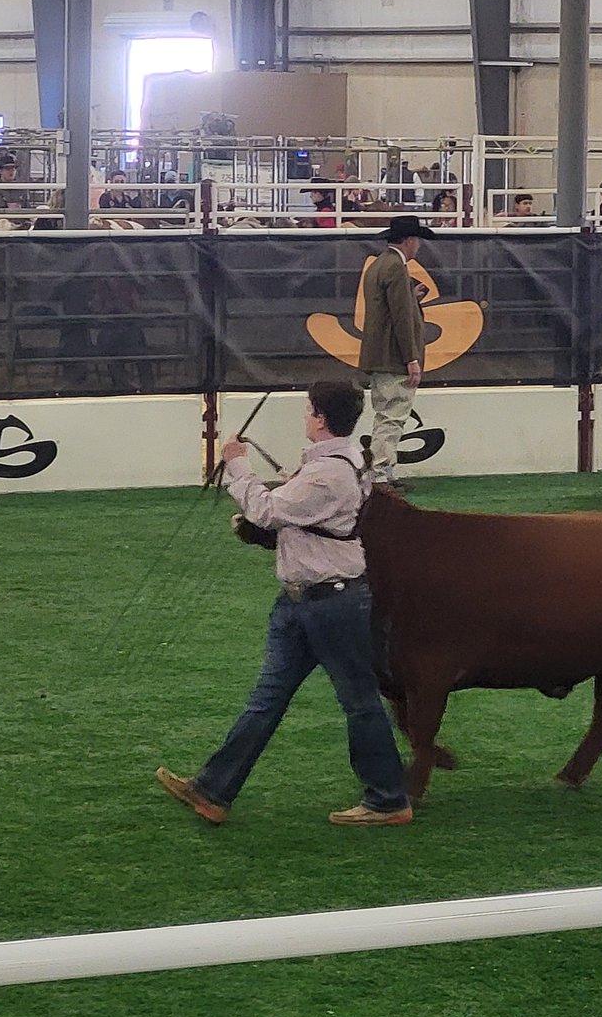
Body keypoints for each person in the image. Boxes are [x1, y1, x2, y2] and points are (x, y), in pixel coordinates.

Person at [156, 381, 413, 827]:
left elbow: (265, 512)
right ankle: (213, 790)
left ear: (320, 418)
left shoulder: (328, 474)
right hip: (310, 601)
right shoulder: (344, 462)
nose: (306, 417)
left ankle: (389, 799)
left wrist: (238, 464)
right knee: (271, 698)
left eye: (309, 410)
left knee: (357, 702)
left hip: (328, 603)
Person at [359, 214, 432, 489]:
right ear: (410, 240)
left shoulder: (378, 265)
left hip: (378, 354)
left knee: (385, 414)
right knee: (393, 417)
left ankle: (383, 472)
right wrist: (411, 358)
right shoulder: (396, 268)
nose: (418, 246)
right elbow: (401, 318)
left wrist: (412, 298)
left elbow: (388, 309)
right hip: (393, 356)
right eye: (417, 241)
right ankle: (380, 474)